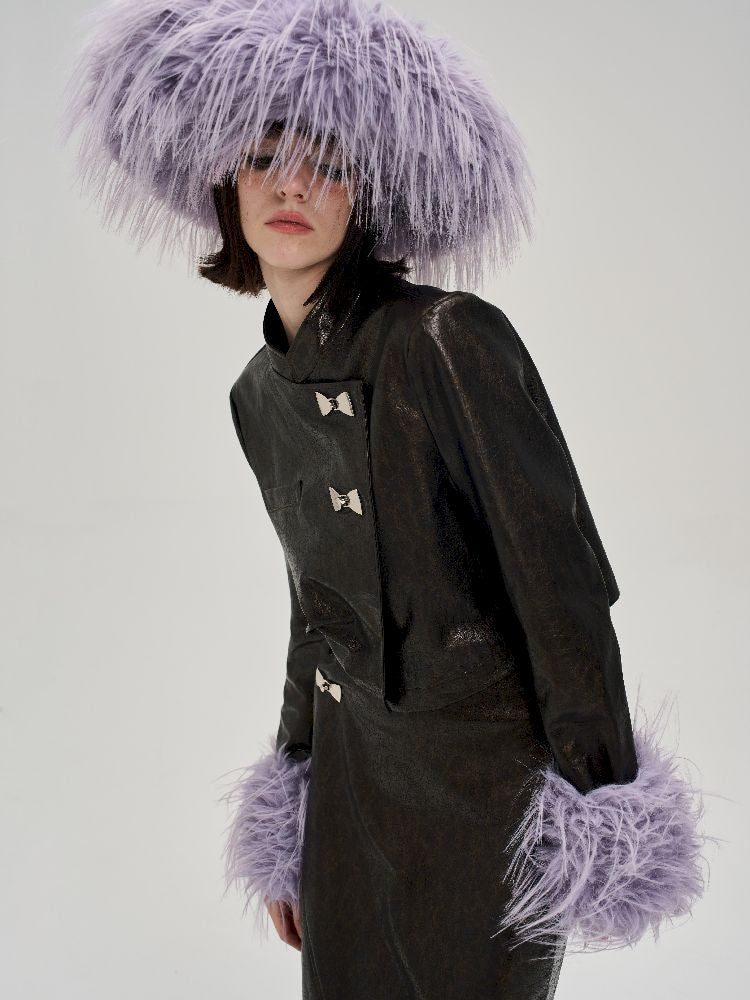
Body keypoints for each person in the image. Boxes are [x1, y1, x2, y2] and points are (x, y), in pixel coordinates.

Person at [62, 1, 711, 997]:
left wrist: (596, 794)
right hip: (351, 783)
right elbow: (315, 611)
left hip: (484, 789)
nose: (291, 184)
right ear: (225, 182)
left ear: (366, 195)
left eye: (327, 163)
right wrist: (293, 798)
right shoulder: (256, 394)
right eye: (264, 156)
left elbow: (561, 587)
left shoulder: (446, 338)